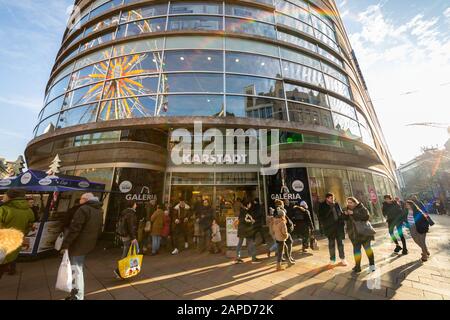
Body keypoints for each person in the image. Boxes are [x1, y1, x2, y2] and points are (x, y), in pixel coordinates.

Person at [60, 193, 103, 300]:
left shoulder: (83, 209)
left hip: (78, 245)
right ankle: (75, 294)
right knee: (77, 269)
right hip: (88, 244)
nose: (79, 200)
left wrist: (65, 245)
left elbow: (74, 229)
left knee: (76, 270)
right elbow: (99, 229)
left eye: (81, 198)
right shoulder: (98, 210)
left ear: (85, 199)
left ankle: (77, 296)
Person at [0, 189, 35, 277]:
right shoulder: (29, 211)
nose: (4, 196)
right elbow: (29, 227)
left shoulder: (4, 209)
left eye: (5, 194)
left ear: (10, 197)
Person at [344, 197, 376, 273]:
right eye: (348, 202)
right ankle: (357, 266)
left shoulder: (362, 208)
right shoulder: (347, 209)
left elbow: (366, 217)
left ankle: (372, 266)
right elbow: (344, 219)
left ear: (355, 202)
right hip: (354, 234)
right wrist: (345, 215)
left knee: (368, 249)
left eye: (351, 202)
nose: (349, 204)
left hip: (364, 233)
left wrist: (354, 213)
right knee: (356, 251)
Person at [318, 193, 347, 266]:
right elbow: (321, 217)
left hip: (338, 227)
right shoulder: (322, 205)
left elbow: (340, 213)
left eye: (333, 198)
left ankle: (343, 259)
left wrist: (343, 216)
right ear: (327, 198)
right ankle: (332, 259)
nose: (332, 199)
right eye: (331, 198)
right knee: (331, 244)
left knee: (340, 244)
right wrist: (330, 210)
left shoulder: (336, 204)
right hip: (330, 228)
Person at [114, 201, 138, 279]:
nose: (136, 205)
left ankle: (126, 269)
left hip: (124, 235)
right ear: (132, 205)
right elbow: (131, 226)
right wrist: (133, 237)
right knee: (126, 253)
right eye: (135, 204)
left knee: (128, 252)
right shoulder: (130, 214)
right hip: (128, 236)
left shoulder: (124, 212)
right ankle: (119, 271)